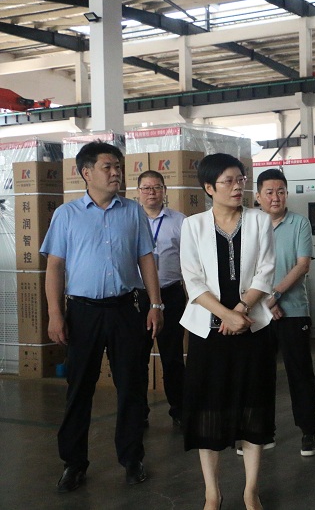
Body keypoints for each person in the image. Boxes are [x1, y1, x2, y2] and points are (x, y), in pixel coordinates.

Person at [40, 141, 164, 493]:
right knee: (79, 388)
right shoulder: (66, 215)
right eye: (108, 167)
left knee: (132, 387)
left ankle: (132, 458)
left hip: (126, 310)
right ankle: (73, 463)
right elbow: (55, 267)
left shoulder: (133, 211)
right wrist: (55, 314)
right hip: (83, 313)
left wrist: (156, 305)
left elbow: (146, 259)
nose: (115, 173)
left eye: (118, 167)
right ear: (86, 172)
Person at [179, 153, 276, 510]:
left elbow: (266, 270)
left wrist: (240, 310)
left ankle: (251, 490)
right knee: (208, 410)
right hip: (208, 333)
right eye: (229, 181)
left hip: (252, 328)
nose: (238, 187)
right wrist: (224, 315)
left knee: (254, 408)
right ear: (209, 187)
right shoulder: (193, 226)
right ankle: (212, 492)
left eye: (241, 179)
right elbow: (193, 280)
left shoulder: (260, 220)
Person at [256, 168, 315, 456]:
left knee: (300, 373)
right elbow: (247, 268)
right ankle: (262, 432)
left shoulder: (299, 223)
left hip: (293, 311)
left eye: (280, 191)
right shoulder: (250, 225)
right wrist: (264, 302)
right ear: (258, 196)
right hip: (258, 312)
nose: (276, 197)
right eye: (269, 192)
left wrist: (275, 296)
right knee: (260, 374)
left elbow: (302, 264)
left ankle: (308, 432)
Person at [137, 170, 187, 428]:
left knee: (173, 356)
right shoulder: (131, 220)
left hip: (171, 294)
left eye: (156, 187)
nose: (151, 192)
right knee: (137, 357)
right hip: (138, 297)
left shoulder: (180, 221)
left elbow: (190, 260)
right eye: (146, 188)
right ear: (138, 192)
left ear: (164, 191)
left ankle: (179, 409)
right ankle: (139, 412)